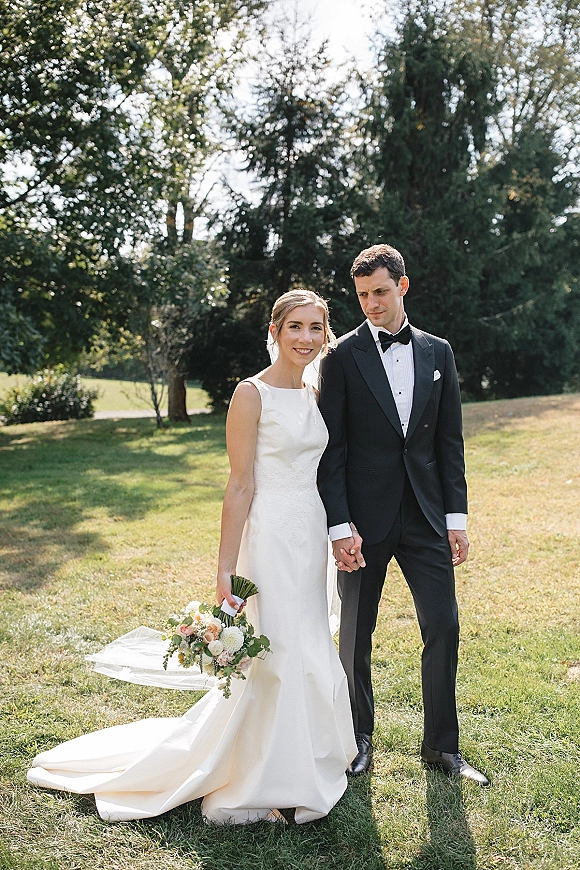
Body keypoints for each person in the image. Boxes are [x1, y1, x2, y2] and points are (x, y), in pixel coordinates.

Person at [28, 289, 357, 824]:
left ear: (325, 335)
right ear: (274, 331)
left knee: (311, 644)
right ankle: (263, 776)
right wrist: (225, 567)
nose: (306, 338)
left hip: (311, 532)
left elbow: (328, 470)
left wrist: (341, 532)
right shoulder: (251, 395)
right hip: (270, 534)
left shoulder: (317, 393)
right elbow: (239, 485)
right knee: (275, 652)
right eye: (295, 327)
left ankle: (307, 761)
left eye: (316, 328)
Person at [317, 244, 489, 785]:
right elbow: (332, 449)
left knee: (443, 625)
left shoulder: (439, 352)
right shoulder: (340, 357)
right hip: (363, 525)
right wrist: (341, 526)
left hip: (427, 517)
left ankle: (442, 748)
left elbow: (450, 440)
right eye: (363, 294)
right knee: (356, 634)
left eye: (380, 292)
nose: (371, 303)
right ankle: (357, 739)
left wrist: (455, 518)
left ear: (403, 287)